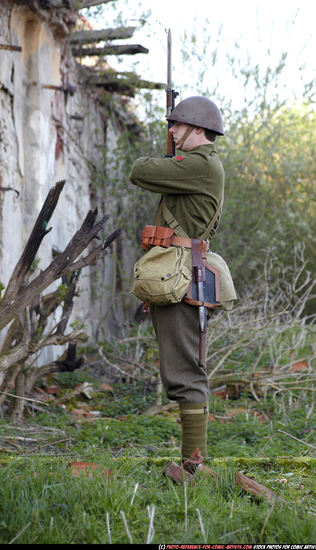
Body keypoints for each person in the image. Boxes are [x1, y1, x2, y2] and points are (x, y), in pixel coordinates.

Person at [129, 96, 225, 476]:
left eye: (176, 124)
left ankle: (194, 467)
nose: (171, 130)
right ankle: (193, 463)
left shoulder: (200, 165)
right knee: (182, 369)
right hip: (180, 273)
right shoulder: (196, 166)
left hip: (184, 276)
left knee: (186, 372)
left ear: (197, 128)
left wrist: (170, 157)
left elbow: (139, 171)